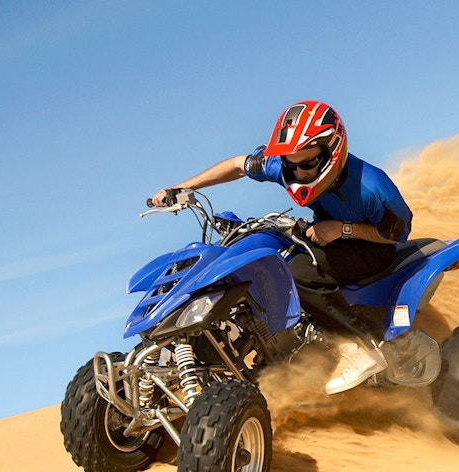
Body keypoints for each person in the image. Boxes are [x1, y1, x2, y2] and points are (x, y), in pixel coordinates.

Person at [151, 100, 414, 394]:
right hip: (323, 236)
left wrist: (343, 229)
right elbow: (239, 165)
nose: (298, 172)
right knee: (265, 264)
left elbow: (396, 235)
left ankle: (359, 347)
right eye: (291, 164)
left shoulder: (373, 187)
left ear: (332, 150)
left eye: (306, 164)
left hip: (370, 247)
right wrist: (184, 187)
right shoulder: (286, 165)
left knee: (298, 273)